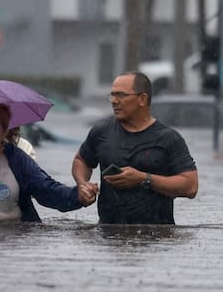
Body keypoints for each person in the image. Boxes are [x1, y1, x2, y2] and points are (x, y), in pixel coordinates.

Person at [72, 71, 198, 225]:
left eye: (121, 95)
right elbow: (82, 160)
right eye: (112, 95)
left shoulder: (168, 138)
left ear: (142, 99)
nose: (114, 101)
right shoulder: (101, 132)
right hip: (108, 236)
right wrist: (82, 183)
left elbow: (190, 186)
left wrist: (144, 178)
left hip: (157, 237)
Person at [0, 104, 96, 223]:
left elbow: (47, 191)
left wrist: (78, 195)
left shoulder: (16, 159)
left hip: (12, 235)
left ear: (5, 132)